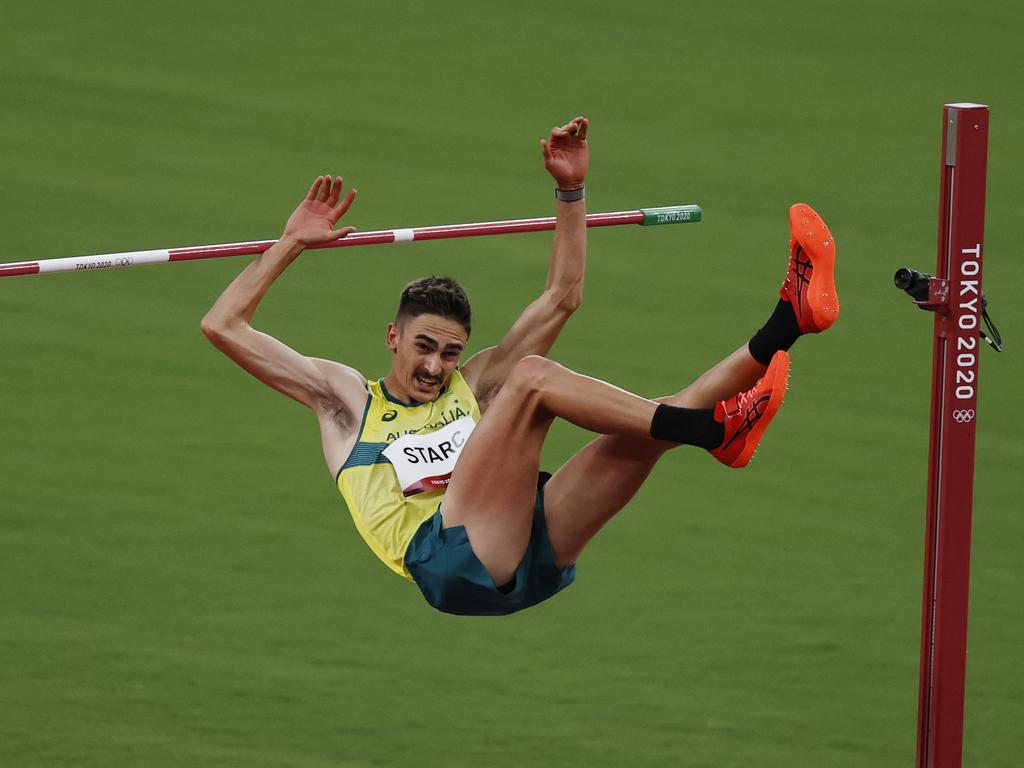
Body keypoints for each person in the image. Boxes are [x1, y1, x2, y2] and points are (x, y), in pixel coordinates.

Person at [201, 116, 839, 616]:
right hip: (447, 563)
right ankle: (712, 433)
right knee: (535, 378)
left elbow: (563, 297)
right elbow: (223, 326)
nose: (437, 366)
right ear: (392, 338)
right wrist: (291, 243)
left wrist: (570, 190)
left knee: (638, 441)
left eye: (451, 351)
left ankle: (789, 320)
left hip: (526, 548)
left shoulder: (471, 384)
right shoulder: (347, 402)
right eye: (424, 347)